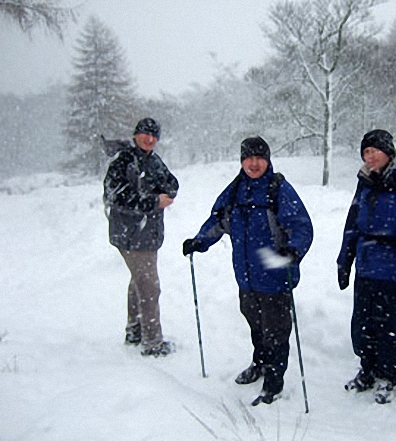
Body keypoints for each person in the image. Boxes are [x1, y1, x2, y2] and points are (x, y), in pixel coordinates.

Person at [182, 136, 313, 405]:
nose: (254, 163)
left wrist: (294, 250)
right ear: (242, 160)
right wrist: (200, 240)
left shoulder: (278, 190)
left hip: (275, 276)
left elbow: (301, 226)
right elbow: (218, 220)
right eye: (248, 158)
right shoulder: (235, 190)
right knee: (256, 324)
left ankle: (274, 383)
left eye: (259, 158)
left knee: (276, 331)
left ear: (268, 160)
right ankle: (260, 363)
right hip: (246, 277)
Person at [337, 129, 396, 404]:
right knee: (363, 325)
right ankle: (367, 369)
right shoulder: (365, 182)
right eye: (366, 152)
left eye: (375, 151)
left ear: (389, 152)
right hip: (366, 267)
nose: (370, 156)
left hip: (394, 269)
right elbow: (352, 225)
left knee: (392, 328)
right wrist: (344, 260)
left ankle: (387, 376)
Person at [103, 117, 179, 357]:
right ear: (135, 135)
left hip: (147, 234)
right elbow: (115, 195)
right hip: (131, 234)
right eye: (145, 134)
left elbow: (172, 182)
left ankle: (135, 331)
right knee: (149, 287)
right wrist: (152, 201)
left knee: (139, 281)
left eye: (154, 136)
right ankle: (153, 343)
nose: (150, 139)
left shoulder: (152, 160)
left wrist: (167, 189)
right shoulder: (124, 160)